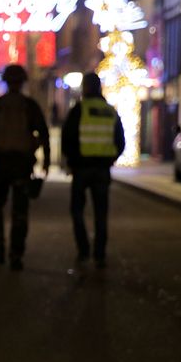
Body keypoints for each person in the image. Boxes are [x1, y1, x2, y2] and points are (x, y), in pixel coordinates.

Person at [0, 64, 50, 271]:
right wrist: (46, 161)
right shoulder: (29, 106)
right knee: (20, 212)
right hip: (22, 165)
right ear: (22, 82)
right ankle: (16, 255)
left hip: (0, 165)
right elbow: (44, 134)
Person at [61, 71, 125, 268]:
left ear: (85, 88)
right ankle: (99, 253)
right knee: (101, 213)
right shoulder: (110, 111)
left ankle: (83, 250)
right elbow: (120, 141)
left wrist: (72, 161)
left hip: (81, 169)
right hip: (102, 170)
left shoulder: (79, 110)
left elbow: (67, 139)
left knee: (77, 210)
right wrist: (110, 158)